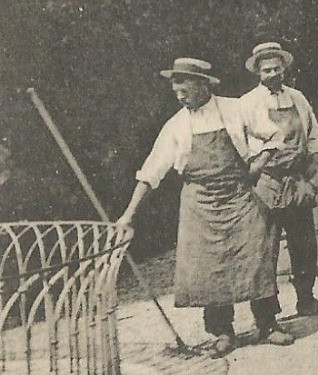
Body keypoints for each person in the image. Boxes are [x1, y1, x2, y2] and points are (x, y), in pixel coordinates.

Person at [115, 58, 287, 357]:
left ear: (204, 84)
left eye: (185, 86)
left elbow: (274, 135)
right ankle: (222, 332)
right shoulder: (176, 126)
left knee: (256, 254)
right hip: (200, 204)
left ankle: (268, 324)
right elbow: (150, 172)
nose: (179, 93)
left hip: (239, 196)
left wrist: (257, 166)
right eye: (175, 87)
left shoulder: (236, 109)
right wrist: (128, 215)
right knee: (210, 267)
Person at [239, 41, 318, 318]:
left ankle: (306, 298)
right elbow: (241, 143)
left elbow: (313, 133)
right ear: (258, 72)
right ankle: (266, 314)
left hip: (297, 180)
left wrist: (312, 164)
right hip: (267, 182)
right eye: (267, 70)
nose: (273, 74)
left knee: (304, 242)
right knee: (265, 247)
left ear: (284, 68)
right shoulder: (248, 104)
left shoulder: (298, 98)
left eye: (277, 68)